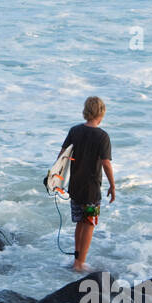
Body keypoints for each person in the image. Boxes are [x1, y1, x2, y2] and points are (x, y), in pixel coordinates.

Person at [60, 96, 115, 272]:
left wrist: (56, 177)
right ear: (101, 112)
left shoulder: (74, 131)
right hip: (92, 190)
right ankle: (80, 264)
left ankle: (77, 259)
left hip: (75, 187)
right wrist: (113, 186)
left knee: (79, 223)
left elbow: (62, 156)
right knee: (89, 223)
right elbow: (106, 163)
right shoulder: (102, 136)